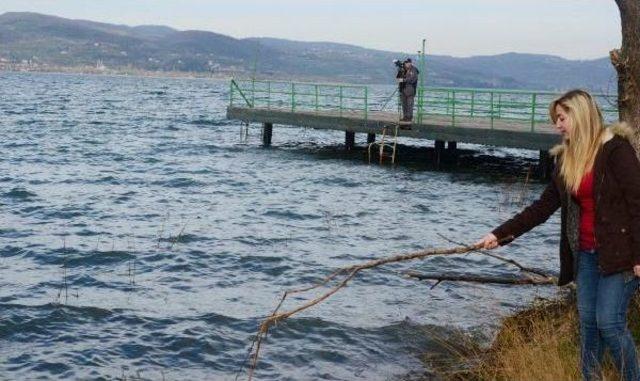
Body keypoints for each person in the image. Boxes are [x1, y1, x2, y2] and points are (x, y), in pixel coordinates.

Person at [475, 89, 640, 381]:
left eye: (562, 118)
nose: (558, 126)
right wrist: (499, 235)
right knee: (589, 323)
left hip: (622, 255)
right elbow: (542, 207)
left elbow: (638, 201)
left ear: (580, 115)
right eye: (556, 120)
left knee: (610, 324)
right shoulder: (567, 160)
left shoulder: (616, 149)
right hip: (587, 255)